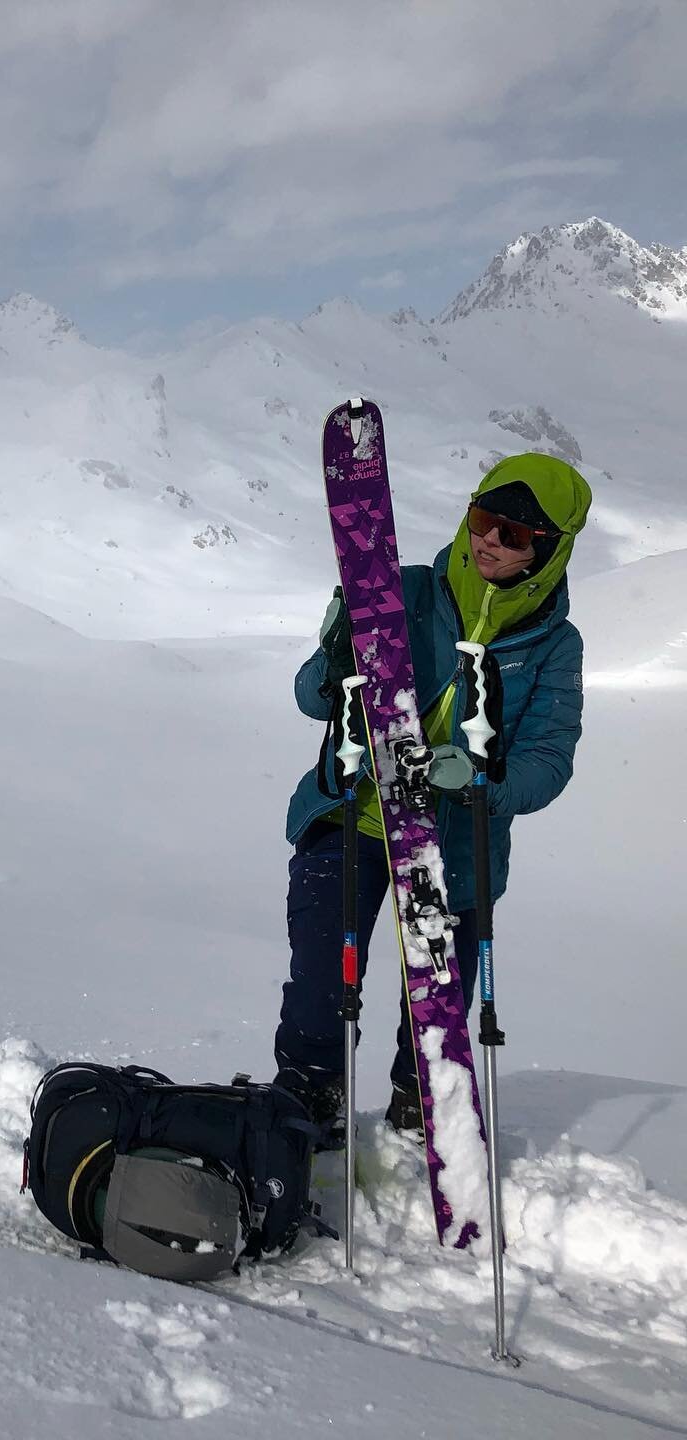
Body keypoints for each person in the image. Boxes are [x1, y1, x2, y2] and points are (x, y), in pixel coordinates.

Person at [273, 453, 593, 1136]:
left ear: (551, 550)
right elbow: (308, 699)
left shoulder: (553, 646)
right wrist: (332, 662)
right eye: (485, 520)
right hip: (354, 814)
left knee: (436, 1004)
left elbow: (549, 759)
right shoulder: (402, 591)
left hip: (455, 843)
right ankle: (310, 1094)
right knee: (324, 985)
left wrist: (481, 779)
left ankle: (421, 1106)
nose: (490, 542)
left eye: (515, 536)